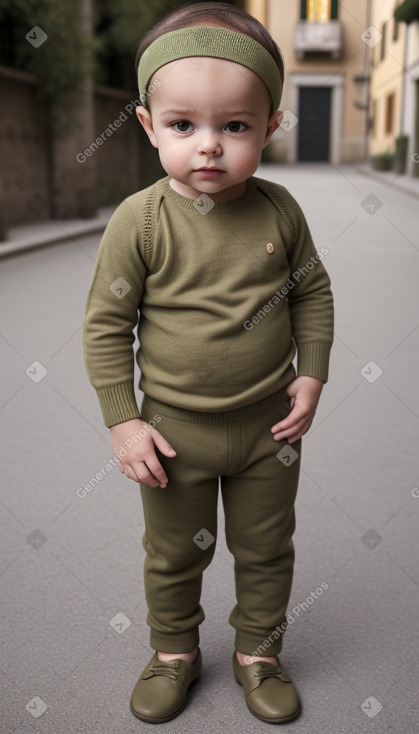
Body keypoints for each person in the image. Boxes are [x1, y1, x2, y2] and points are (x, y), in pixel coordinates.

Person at [83, 1, 333, 725]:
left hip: (267, 432)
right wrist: (123, 422)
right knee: (171, 555)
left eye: (234, 126)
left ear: (269, 126)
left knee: (265, 549)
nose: (209, 148)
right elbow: (106, 327)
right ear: (146, 125)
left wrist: (310, 372)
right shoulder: (141, 220)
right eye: (183, 125)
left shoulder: (280, 212)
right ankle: (174, 653)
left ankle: (259, 652)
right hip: (172, 434)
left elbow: (311, 292)